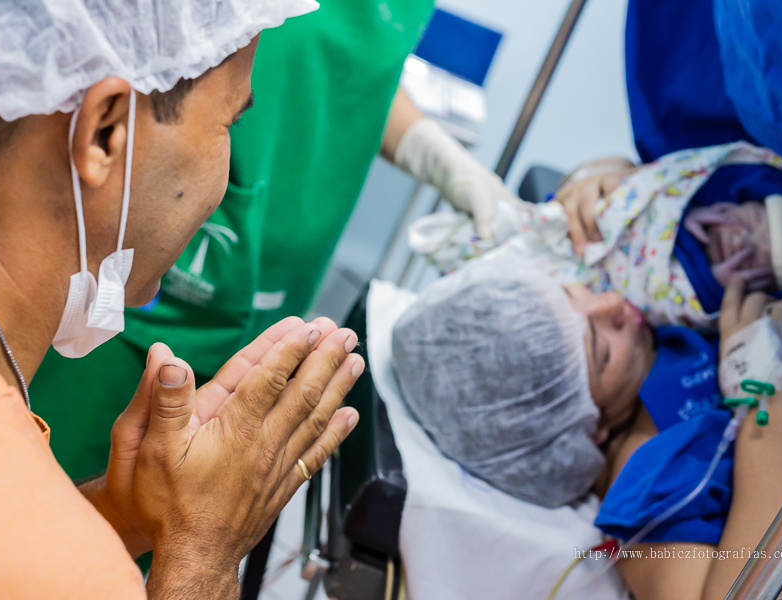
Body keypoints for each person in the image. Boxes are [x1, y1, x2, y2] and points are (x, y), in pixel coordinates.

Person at [0, 1, 366, 597]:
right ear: (105, 130)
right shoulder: (63, 575)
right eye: (230, 124)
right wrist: (203, 552)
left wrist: (117, 517)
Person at [30, 0, 518, 484]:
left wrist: (437, 156)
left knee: (188, 486)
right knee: (57, 478)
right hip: (154, 267)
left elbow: (356, 67)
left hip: (282, 261)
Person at [390, 258, 782, 598]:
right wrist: (772, 404)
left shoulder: (648, 323)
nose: (614, 303)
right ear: (578, 428)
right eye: (600, 350)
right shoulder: (642, 487)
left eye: (575, 293)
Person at [409, 141, 782, 331]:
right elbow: (647, 179)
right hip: (569, 231)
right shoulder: (698, 185)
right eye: (754, 222)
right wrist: (605, 172)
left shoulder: (702, 299)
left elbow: (699, 304)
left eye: (759, 259)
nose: (741, 241)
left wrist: (721, 280)